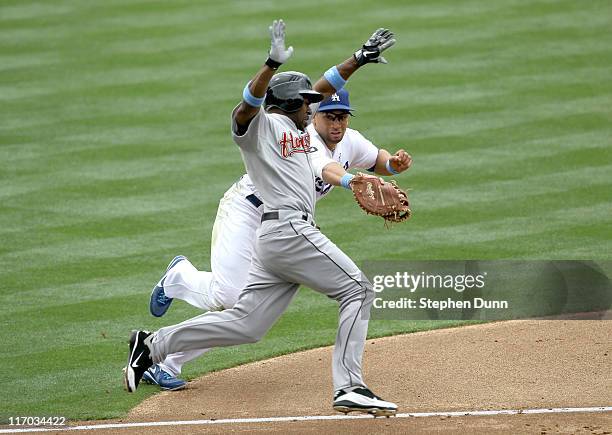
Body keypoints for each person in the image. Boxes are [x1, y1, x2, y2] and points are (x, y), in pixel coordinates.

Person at [125, 19, 400, 416]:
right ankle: (350, 386)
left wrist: (358, 59)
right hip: (287, 228)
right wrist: (270, 63)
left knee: (247, 325)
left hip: (275, 238)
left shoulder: (300, 127)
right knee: (358, 290)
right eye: (306, 102)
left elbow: (321, 86)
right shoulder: (257, 130)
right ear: (289, 104)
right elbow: (246, 106)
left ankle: (151, 345)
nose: (315, 105)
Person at [143, 87, 412, 391]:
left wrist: (393, 164)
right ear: (314, 115)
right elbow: (327, 169)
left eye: (343, 117)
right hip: (247, 211)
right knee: (230, 297)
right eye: (330, 116)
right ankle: (179, 281)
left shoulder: (349, 140)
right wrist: (353, 181)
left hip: (282, 225)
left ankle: (167, 361)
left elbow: (377, 159)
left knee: (243, 310)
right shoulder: (304, 139)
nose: (337, 124)